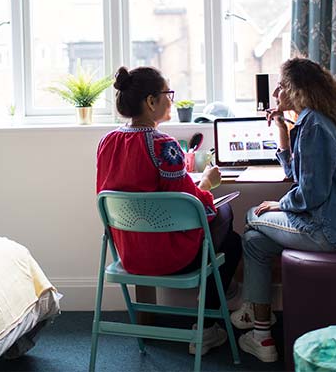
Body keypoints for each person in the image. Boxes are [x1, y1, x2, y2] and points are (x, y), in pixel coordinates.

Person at [231, 58, 336, 362]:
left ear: (295, 90)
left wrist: (279, 204)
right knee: (255, 242)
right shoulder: (324, 119)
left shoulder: (313, 124)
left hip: (332, 231)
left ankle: (251, 310)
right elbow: (300, 176)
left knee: (251, 215)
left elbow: (310, 194)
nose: (275, 94)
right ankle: (262, 338)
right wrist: (283, 131)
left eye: (281, 86)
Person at [96, 66, 243, 356]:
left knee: (230, 242)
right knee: (227, 219)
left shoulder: (107, 142)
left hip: (129, 255)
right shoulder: (164, 145)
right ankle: (207, 327)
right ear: (151, 102)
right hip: (168, 258)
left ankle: (213, 318)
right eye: (168, 94)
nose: (171, 101)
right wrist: (206, 182)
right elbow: (195, 205)